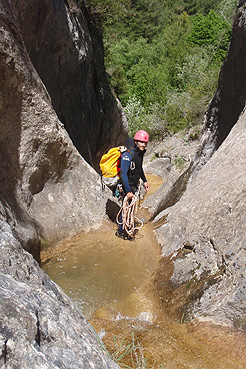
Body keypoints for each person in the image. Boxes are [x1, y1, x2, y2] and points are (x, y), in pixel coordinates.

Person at [115, 130, 149, 240]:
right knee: (126, 208)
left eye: (145, 143)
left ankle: (125, 229)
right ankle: (121, 231)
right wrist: (128, 191)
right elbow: (123, 174)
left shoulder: (139, 155)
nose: (143, 144)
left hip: (133, 185)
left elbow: (139, 169)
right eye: (141, 142)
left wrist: (145, 180)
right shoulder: (128, 155)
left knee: (129, 208)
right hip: (126, 186)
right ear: (136, 142)